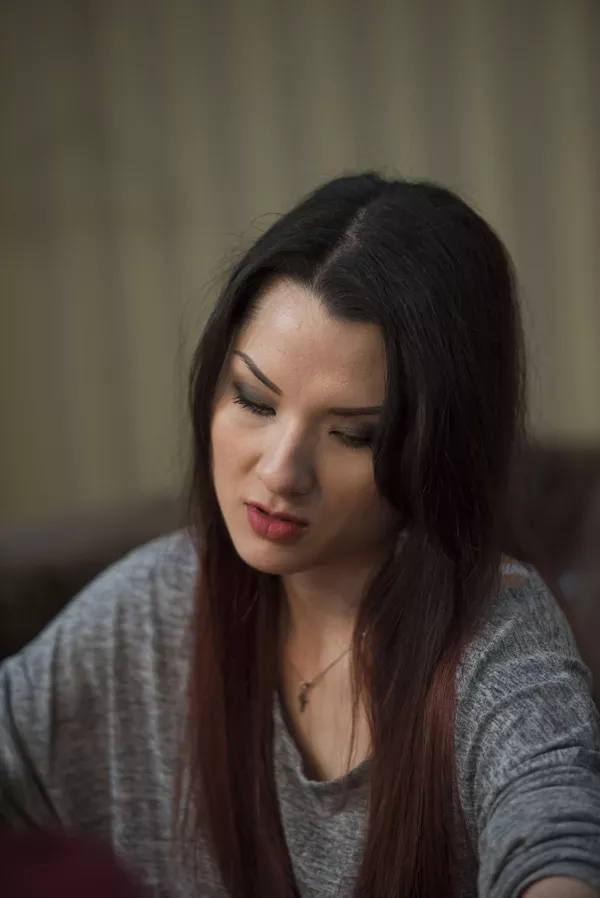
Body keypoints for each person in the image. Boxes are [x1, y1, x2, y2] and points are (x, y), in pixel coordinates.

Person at [1, 173, 600, 898]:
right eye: (254, 400)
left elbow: (555, 839)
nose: (280, 472)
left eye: (353, 435)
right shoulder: (153, 608)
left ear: (434, 452)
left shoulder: (494, 638)